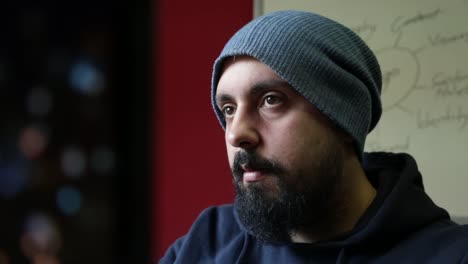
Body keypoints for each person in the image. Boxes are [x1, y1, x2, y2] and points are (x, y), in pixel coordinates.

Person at [159, 10, 468, 263]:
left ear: (342, 117)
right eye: (228, 108)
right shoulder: (207, 243)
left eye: (270, 100)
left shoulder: (450, 255)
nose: (236, 133)